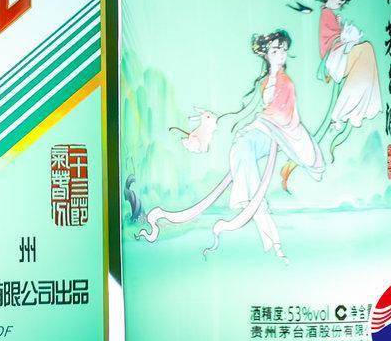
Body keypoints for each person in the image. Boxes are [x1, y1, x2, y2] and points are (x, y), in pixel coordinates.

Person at [138, 30, 324, 261]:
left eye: (284, 50)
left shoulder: (286, 83)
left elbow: (284, 115)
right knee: (240, 147)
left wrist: (261, 124)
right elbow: (247, 110)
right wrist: (219, 120)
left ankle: (255, 206)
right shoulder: (263, 82)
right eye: (276, 50)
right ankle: (256, 209)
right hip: (260, 131)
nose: (281, 55)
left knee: (244, 144)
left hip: (279, 132)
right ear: (266, 54)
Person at [314, 0, 382, 162]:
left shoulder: (331, 14)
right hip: (333, 57)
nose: (336, 4)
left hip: (339, 53)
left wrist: (345, 32)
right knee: (366, 50)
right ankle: (348, 109)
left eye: (339, 2)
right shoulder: (326, 14)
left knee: (367, 51)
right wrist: (344, 35)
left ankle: (353, 106)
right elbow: (329, 41)